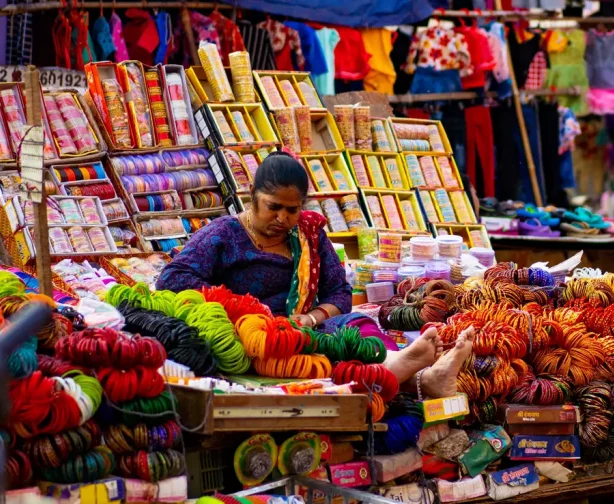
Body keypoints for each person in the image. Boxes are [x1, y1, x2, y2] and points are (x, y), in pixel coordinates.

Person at [157, 152, 471, 396]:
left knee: (350, 325)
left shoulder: (309, 233)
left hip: (303, 328)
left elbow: (340, 294)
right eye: (273, 207)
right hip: (251, 337)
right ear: (251, 195)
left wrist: (310, 318)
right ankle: (409, 372)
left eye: (291, 210)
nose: (282, 218)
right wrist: (243, 310)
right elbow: (172, 280)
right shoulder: (223, 235)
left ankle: (405, 367)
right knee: (317, 356)